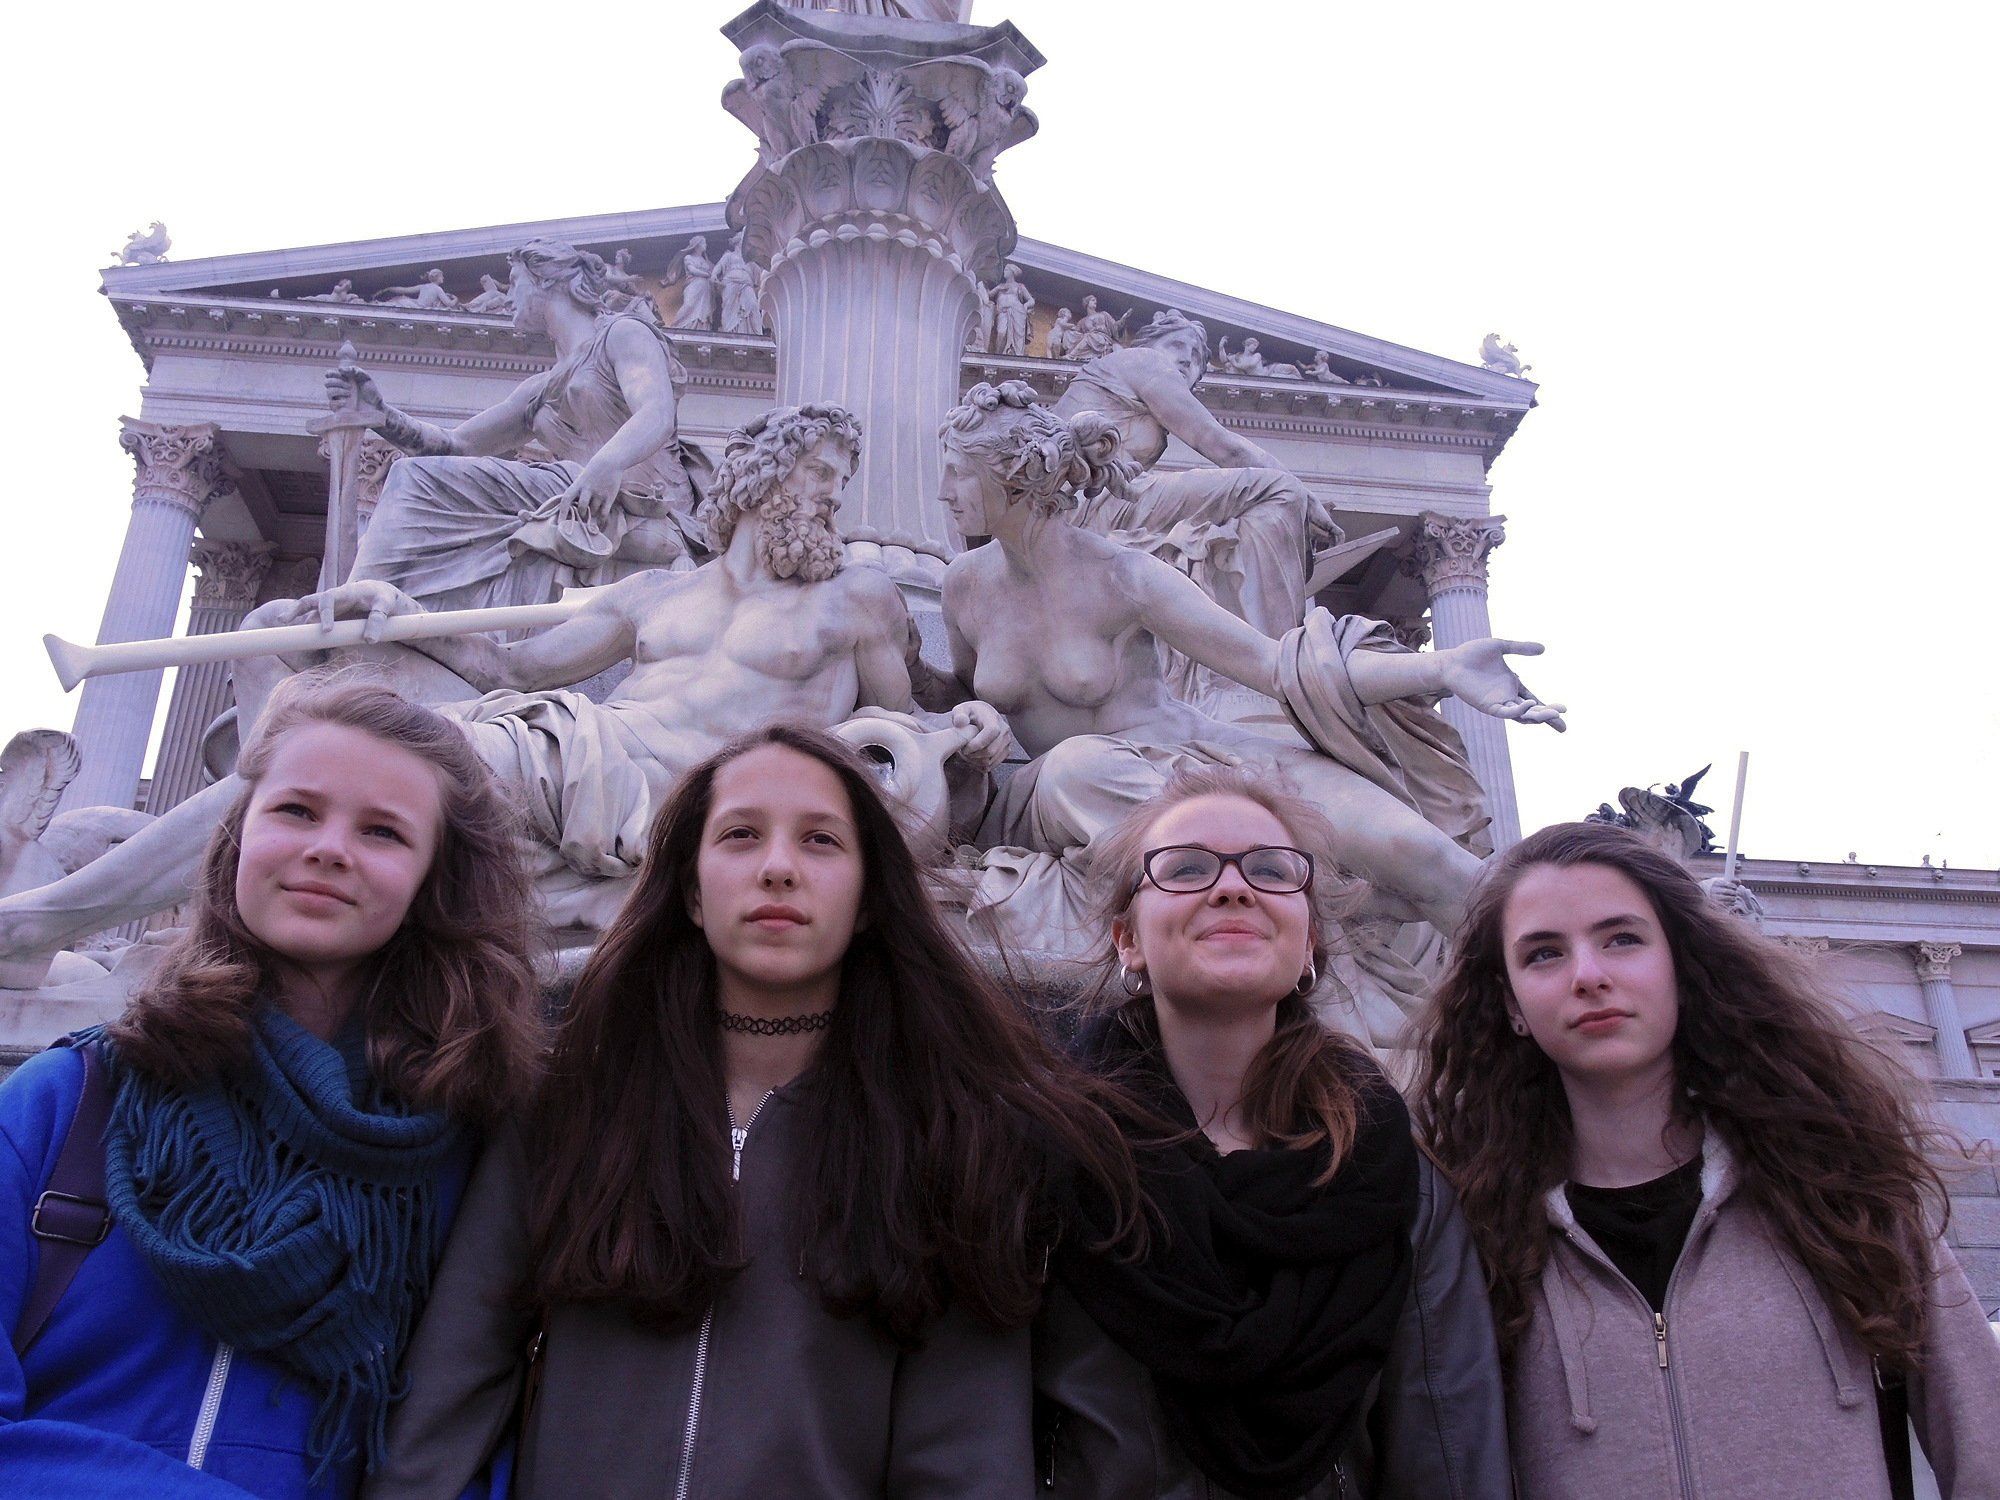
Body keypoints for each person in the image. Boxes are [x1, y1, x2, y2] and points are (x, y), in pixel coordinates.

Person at [361, 724, 1140, 1499]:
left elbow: (964, 1457)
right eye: (740, 835)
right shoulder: (567, 1103)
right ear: (692, 892)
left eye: (820, 841)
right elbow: (451, 1390)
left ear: (868, 900)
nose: (777, 868)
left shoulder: (950, 1136)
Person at [0, 403, 1007, 954]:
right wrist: (398, 607)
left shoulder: (857, 598)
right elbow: (515, 668)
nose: (832, 497)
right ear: (762, 475)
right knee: (338, 731)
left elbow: (892, 730)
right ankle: (64, 917)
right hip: (573, 744)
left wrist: (962, 723)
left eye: (839, 482)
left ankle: (52, 917)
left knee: (365, 762)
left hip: (681, 790)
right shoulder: (653, 593)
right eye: (821, 473)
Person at [0, 673, 546, 1497]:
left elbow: (481, 1449)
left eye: (383, 831)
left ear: (438, 880)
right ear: (238, 839)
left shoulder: (477, 1156)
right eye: (295, 810)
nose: (329, 847)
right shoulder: (68, 1100)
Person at [1416, 822, 2000, 1500]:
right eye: (1544, 954)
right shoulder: (1470, 1234)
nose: (1589, 976)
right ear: (1511, 1004)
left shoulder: (1839, 1189)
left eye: (1622, 939)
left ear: (1682, 967)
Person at [929, 381, 1560, 1002]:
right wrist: (924, 675)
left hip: (1203, 756)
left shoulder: (1122, 576)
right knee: (1079, 765)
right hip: (1071, 787)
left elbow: (1274, 666)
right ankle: (1309, 901)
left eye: (958, 473)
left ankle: (1539, 1020)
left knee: (1432, 861)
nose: (942, 491)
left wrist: (1441, 669)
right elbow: (957, 694)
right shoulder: (964, 585)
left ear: (1015, 477)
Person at [1035, 764, 1512, 1499]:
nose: (1233, 887)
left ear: (1310, 939)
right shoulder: (1041, 1159)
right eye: (1185, 868)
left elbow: (1449, 1451)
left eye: (1271, 870)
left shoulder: (1398, 1178)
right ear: (1128, 940)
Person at [334, 237, 703, 617]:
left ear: (547, 280)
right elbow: (456, 446)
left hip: (638, 503)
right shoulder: (539, 390)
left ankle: (355, 607)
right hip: (573, 499)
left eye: (514, 282)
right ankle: (376, 605)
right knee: (410, 475)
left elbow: (656, 411)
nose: (508, 295)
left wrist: (607, 465)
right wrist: (382, 415)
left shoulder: (624, 334)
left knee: (413, 478)